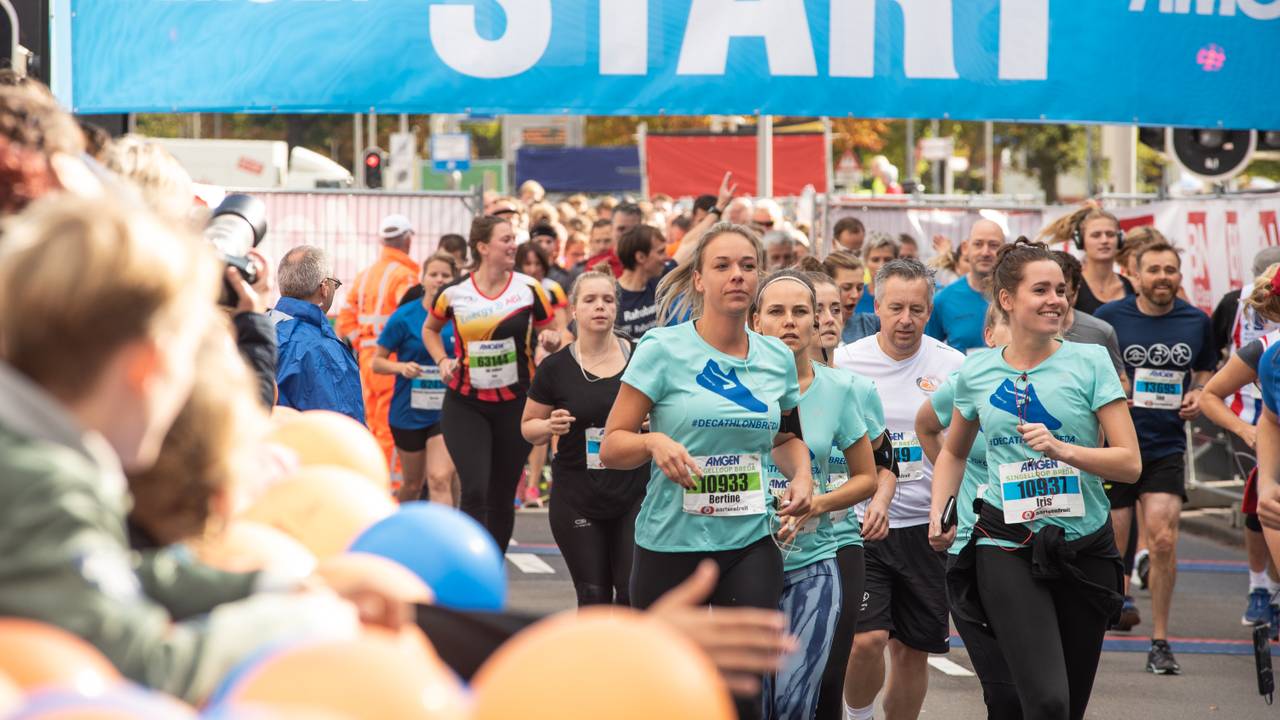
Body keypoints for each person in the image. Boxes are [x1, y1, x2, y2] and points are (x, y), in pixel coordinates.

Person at [0, 197, 391, 704]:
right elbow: (149, 667)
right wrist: (306, 618)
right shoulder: (45, 485)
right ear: (146, 368)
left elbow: (122, 570)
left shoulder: (36, 447)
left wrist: (268, 587)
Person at [599, 222, 814, 720]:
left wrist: (801, 478)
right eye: (722, 266)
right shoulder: (662, 349)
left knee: (743, 690)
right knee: (665, 686)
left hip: (750, 541)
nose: (736, 275)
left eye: (747, 266)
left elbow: (786, 439)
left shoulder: (776, 357)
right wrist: (653, 441)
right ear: (698, 279)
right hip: (671, 544)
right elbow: (612, 446)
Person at [929, 239, 1140, 720]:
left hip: (1084, 546)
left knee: (1067, 706)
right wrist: (939, 511)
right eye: (1041, 290)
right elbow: (953, 452)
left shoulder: (1089, 362)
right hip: (1004, 542)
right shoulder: (978, 369)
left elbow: (1129, 463)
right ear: (1007, 299)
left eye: (1061, 290)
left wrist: (1064, 449)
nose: (1056, 300)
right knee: (1045, 701)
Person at [832, 258, 965, 720]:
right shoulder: (846, 362)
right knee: (865, 640)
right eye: (895, 308)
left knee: (912, 652)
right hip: (862, 525)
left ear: (930, 311)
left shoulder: (952, 366)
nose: (905, 320)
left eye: (917, 310)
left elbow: (963, 449)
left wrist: (950, 512)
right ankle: (858, 714)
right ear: (877, 304)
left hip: (925, 529)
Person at [750, 270, 878, 720]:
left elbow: (869, 476)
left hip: (816, 557)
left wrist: (816, 504)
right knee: (749, 700)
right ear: (756, 322)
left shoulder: (841, 390)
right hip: (739, 557)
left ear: (815, 321)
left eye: (800, 312)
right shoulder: (730, 385)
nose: (789, 322)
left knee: (804, 697)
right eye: (777, 312)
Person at [1095, 241, 1215, 675]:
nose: (1163, 277)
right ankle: (1095, 624)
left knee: (1163, 539)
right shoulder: (1111, 319)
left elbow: (1205, 370)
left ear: (1179, 276)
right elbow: (1093, 371)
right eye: (1154, 270)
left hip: (1166, 446)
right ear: (1136, 275)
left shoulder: (1196, 321)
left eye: (1171, 270)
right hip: (1116, 447)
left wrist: (1198, 392)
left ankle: (1160, 640)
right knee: (1112, 542)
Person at [423, 216, 561, 553]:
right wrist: (442, 360)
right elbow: (430, 329)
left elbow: (552, 329)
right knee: (475, 487)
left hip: (515, 403)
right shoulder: (454, 293)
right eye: (506, 239)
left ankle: (493, 563)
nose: (514, 244)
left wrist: (553, 340)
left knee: (501, 493)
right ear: (483, 247)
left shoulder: (530, 289)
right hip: (466, 402)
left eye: (514, 238)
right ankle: (469, 560)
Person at [916, 304, 1022, 720]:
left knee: (1047, 689)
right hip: (974, 543)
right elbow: (927, 424)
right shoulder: (972, 378)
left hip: (1044, 539)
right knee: (1005, 691)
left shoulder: (1057, 379)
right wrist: (951, 493)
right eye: (1009, 329)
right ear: (990, 336)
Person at [522, 271, 649, 606]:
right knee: (592, 595)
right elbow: (528, 427)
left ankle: (628, 661)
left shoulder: (641, 359)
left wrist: (653, 423)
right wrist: (548, 425)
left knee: (630, 593)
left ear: (616, 309)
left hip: (633, 493)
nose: (600, 307)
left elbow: (668, 414)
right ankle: (593, 659)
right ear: (574, 311)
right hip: (577, 493)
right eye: (590, 300)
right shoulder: (556, 368)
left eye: (607, 300)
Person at [1201, 263, 1280, 624]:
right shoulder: (1267, 352)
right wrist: (1246, 432)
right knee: (1259, 515)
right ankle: (1259, 586)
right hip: (1264, 443)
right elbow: (1211, 396)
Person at [372, 252, 460, 504]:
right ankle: (400, 532)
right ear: (423, 279)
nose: (439, 280)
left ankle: (445, 540)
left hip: (446, 410)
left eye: (445, 275)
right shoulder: (404, 316)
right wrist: (401, 367)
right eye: (434, 274)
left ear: (453, 281)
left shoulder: (461, 316)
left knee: (440, 477)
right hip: (407, 411)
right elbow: (377, 362)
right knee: (412, 484)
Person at [335, 214, 421, 465]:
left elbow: (345, 321)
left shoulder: (365, 276)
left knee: (372, 425)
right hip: (394, 364)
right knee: (389, 430)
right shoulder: (406, 277)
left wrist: (362, 344)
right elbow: (412, 320)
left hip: (368, 364)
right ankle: (391, 487)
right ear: (407, 240)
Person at [272, 246, 364, 422]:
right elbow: (341, 426)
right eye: (335, 284)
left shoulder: (259, 328)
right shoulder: (323, 350)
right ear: (324, 289)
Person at [925, 220, 1005, 354]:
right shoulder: (943, 299)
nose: (985, 252)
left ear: (1004, 249)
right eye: (978, 244)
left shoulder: (1017, 296)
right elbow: (928, 351)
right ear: (965, 248)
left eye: (993, 245)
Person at [1050, 251, 1128, 385]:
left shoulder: (1101, 331)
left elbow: (1121, 383)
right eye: (1041, 290)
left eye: (1062, 293)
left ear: (1076, 291)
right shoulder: (1019, 329)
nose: (1054, 302)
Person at [1040, 205, 1133, 314]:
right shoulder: (1071, 287)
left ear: (1120, 239)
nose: (1104, 240)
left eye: (1110, 234)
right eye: (1096, 235)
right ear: (1080, 241)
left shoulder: (1132, 286)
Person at [616, 224, 676, 340]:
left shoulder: (660, 278)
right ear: (641, 257)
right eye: (661, 252)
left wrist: (716, 211)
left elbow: (689, 244)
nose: (667, 257)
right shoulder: (609, 297)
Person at [822, 251, 879, 345]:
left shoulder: (870, 324)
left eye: (860, 288)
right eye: (846, 288)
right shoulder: (811, 327)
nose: (855, 295)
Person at [855, 233, 899, 315]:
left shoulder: (904, 295)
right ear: (865, 262)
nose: (881, 265)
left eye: (887, 259)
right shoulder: (855, 296)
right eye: (875, 260)